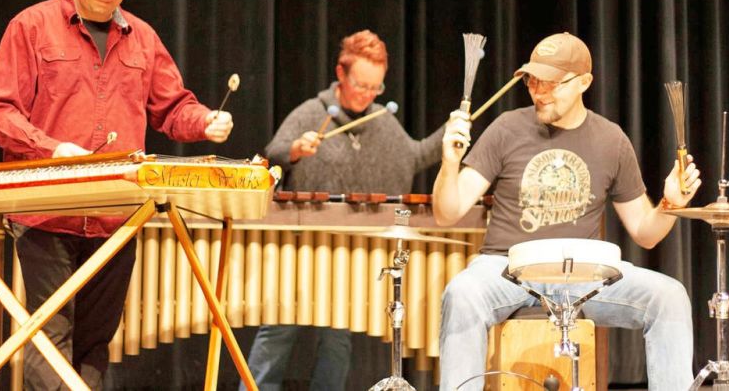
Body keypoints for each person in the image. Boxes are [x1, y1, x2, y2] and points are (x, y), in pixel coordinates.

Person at [0, 0, 233, 390]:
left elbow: (173, 106)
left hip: (116, 217)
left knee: (96, 344)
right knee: (48, 336)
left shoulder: (142, 38)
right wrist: (53, 148)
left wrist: (204, 123)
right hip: (47, 214)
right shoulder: (31, 26)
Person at [432, 32, 702, 391]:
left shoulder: (611, 140)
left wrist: (670, 205)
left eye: (552, 83)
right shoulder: (506, 128)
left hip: (584, 275)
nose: (539, 91)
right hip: (506, 269)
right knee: (461, 293)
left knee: (669, 296)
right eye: (532, 81)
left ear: (584, 82)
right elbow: (447, 213)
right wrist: (449, 163)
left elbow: (644, 232)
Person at [242, 29, 443, 390]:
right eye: (361, 85)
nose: (367, 95)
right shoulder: (312, 112)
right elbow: (271, 154)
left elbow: (415, 157)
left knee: (337, 339)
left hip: (345, 249)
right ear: (340, 73)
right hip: (298, 245)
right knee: (277, 331)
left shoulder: (381, 118)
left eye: (376, 88)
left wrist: (453, 132)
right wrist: (295, 151)